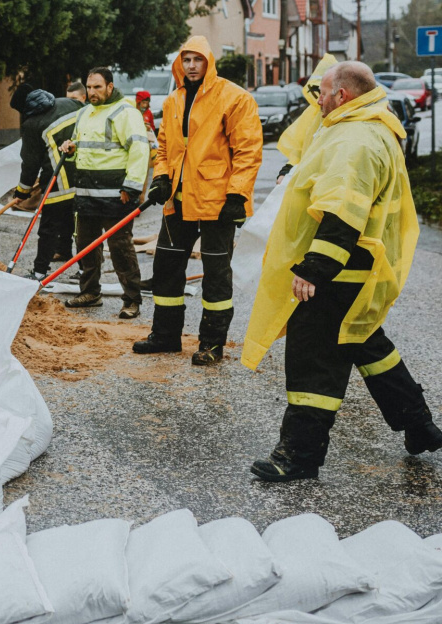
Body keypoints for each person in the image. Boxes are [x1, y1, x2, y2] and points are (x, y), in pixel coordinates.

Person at [244, 61, 442, 481]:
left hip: (337, 269)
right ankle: (419, 425)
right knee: (365, 343)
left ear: (343, 95)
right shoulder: (367, 127)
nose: (317, 100)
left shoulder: (355, 139)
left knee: (314, 359)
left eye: (322, 93)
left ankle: (299, 457)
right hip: (359, 267)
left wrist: (313, 269)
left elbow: (342, 214)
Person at [133, 36, 263, 364]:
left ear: (208, 62)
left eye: (197, 60)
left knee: (216, 274)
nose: (191, 66)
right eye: (186, 60)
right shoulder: (174, 100)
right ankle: (165, 336)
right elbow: (164, 147)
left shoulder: (234, 98)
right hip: (178, 202)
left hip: (218, 204)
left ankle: (211, 343)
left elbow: (248, 151)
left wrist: (237, 196)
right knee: (166, 267)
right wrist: (161, 176)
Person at [58, 67, 149, 319]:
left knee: (121, 248)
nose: (92, 92)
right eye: (89, 87)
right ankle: (90, 292)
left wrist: (131, 188)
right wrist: (71, 147)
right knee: (85, 246)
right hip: (87, 194)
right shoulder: (84, 112)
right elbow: (83, 146)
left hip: (115, 196)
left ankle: (131, 299)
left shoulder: (126, 112)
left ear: (110, 86)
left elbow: (139, 150)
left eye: (97, 87)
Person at [9, 83, 84, 280]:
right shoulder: (69, 103)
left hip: (57, 182)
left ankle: (40, 272)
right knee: (80, 226)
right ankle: (86, 271)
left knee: (49, 228)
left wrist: (22, 192)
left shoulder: (32, 124)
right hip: (84, 174)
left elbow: (30, 164)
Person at [276, 55, 338, 185]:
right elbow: (301, 149)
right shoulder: (314, 113)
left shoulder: (349, 120)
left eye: (324, 93)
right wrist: (288, 169)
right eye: (317, 92)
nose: (319, 100)